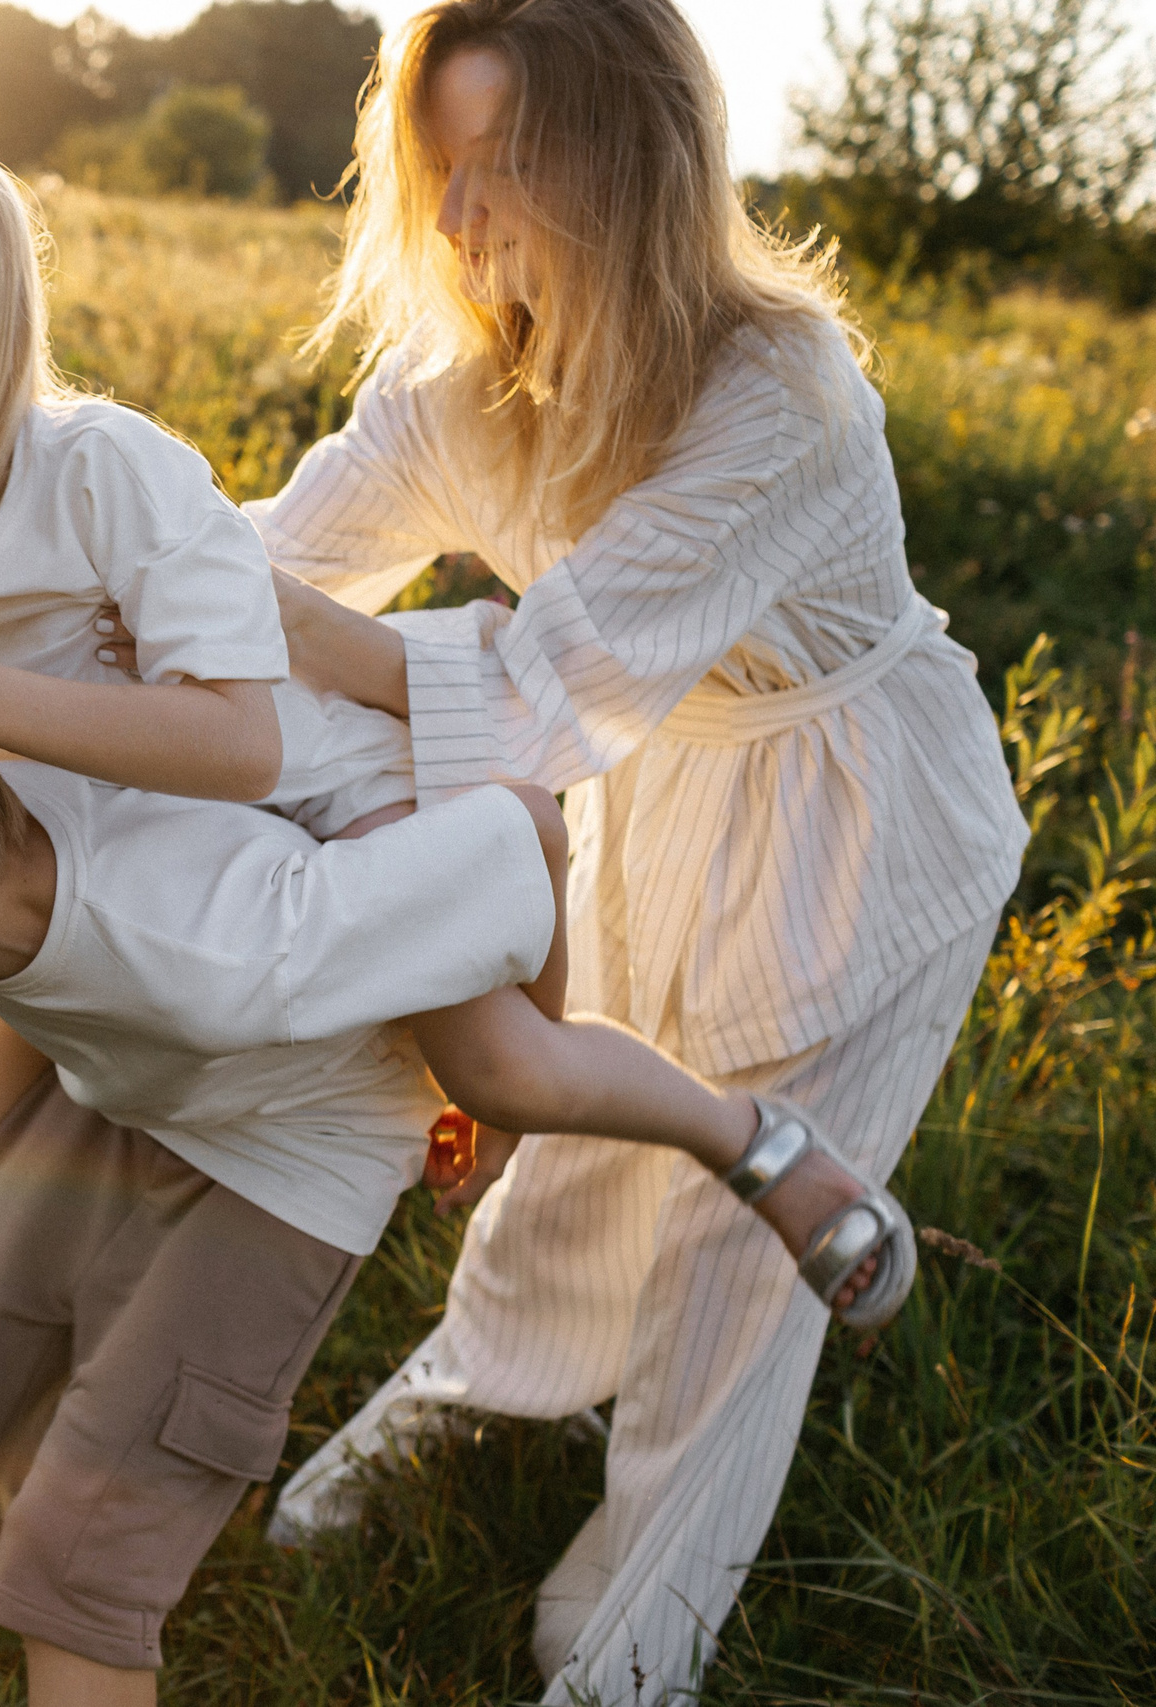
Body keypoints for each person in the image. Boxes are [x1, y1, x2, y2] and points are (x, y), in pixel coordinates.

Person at [0, 125, 913, 1318]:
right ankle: (38, 1283)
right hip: (112, 854)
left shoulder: (95, 470)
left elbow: (242, 744)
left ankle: (739, 1128)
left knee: (499, 1072)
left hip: (315, 791)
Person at [0, 591, 922, 1707]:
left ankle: (749, 1141)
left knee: (76, 1575)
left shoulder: (229, 948)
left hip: (294, 1146)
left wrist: (493, 1083)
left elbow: (515, 835)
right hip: (134, 1081)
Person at [198, 0, 1029, 1696]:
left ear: (625, 162)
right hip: (651, 797)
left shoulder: (778, 387)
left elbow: (535, 688)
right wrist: (54, 589)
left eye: (501, 165)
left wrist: (272, 623)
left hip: (861, 813)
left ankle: (636, 1636)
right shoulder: (463, 383)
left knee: (732, 1254)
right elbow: (274, 561)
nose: (454, 218)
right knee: (577, 1164)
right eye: (439, 166)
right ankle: (470, 1407)